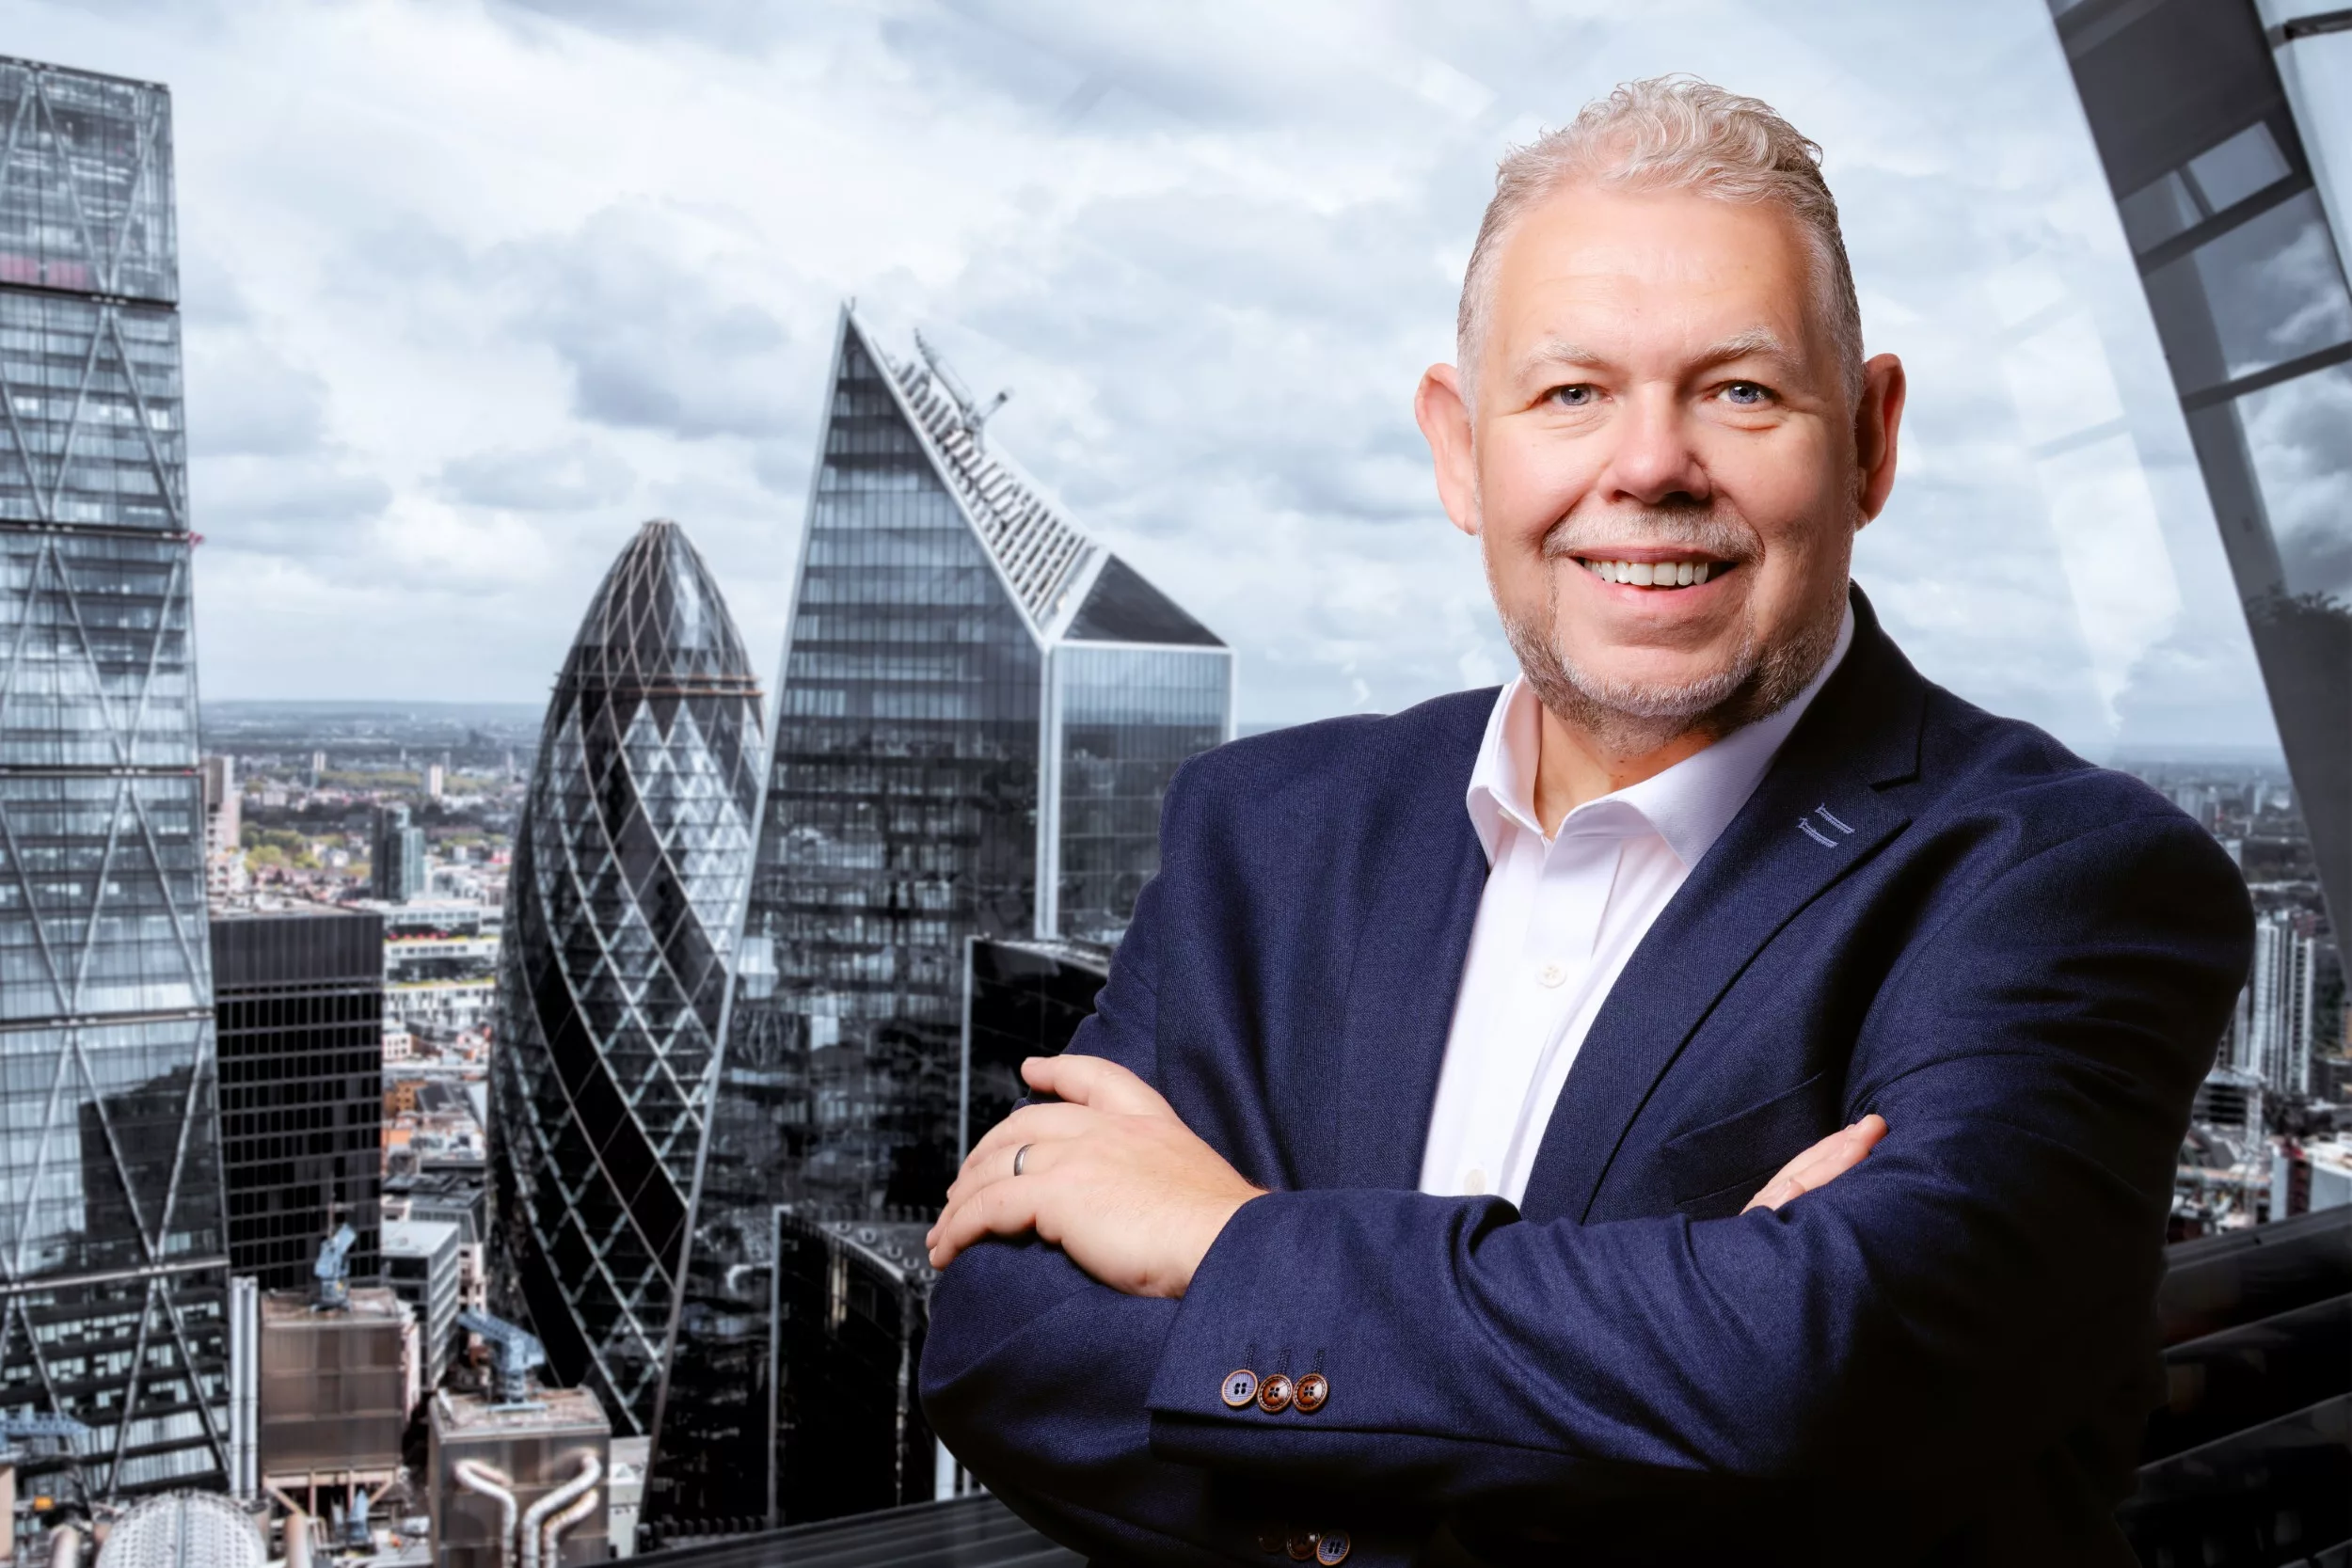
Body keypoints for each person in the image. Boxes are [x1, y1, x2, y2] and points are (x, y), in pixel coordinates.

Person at [918, 76, 2250, 1566]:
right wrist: (1666, 1343)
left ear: (1868, 441)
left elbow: (1823, 1367)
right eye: (1571, 393)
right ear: (1458, 450)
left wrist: (1222, 1247)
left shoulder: (2064, 877)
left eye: (1741, 389)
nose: (1651, 466)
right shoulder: (1268, 832)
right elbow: (1003, 1329)